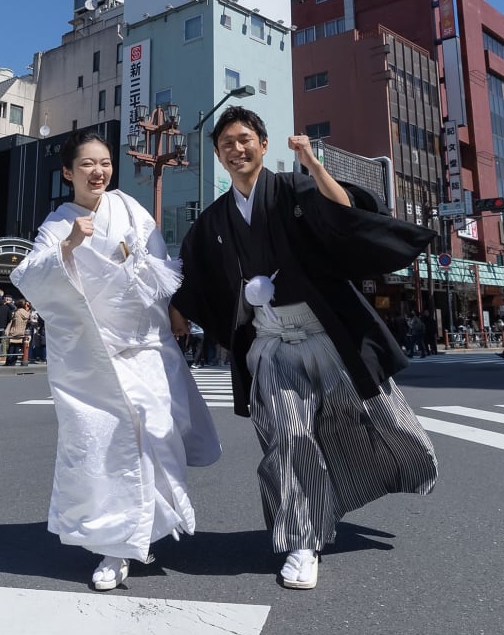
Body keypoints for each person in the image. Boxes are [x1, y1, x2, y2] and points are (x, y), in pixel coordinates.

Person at [170, 108, 438, 591]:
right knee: (289, 437)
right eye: (227, 142)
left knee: (370, 424)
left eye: (245, 139)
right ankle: (303, 539)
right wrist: (171, 316)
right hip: (272, 345)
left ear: (264, 144)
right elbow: (191, 277)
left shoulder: (294, 190)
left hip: (326, 334)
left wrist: (313, 165)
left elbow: (345, 217)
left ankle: (388, 475)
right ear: (217, 154)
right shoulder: (213, 219)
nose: (237, 148)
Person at [12, 129, 220, 592]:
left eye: (104, 162)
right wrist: (67, 246)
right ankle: (116, 545)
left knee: (155, 432)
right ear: (68, 173)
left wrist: (173, 308)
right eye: (87, 164)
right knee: (105, 445)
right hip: (94, 356)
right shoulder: (56, 224)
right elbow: (29, 276)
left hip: (145, 344)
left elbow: (161, 264)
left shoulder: (128, 208)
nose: (98, 171)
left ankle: (141, 532)